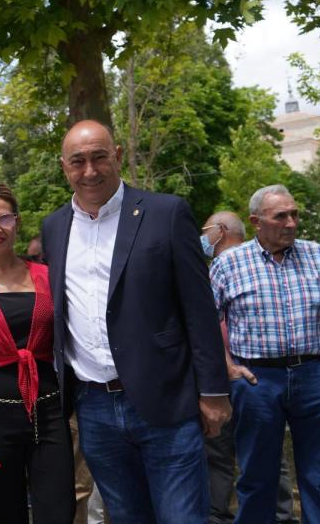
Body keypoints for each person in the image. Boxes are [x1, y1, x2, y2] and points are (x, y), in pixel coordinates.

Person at [41, 120, 230, 522]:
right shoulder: (55, 227)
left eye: (99, 157)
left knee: (182, 517)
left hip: (165, 399)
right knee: (126, 516)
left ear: (119, 156)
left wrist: (213, 390)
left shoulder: (166, 213)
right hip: (93, 406)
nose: (89, 171)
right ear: (64, 167)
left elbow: (199, 309)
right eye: (78, 161)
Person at [210, 184, 320, 523]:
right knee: (257, 477)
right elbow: (208, 322)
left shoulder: (318, 255)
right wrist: (229, 368)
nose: (291, 222)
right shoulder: (229, 264)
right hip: (258, 381)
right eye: (281, 216)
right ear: (256, 221)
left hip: (317, 376)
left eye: (294, 214)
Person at [0, 182, 74, 524]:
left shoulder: (47, 277)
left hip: (49, 412)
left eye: (4, 218)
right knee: (8, 515)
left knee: (58, 511)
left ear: (17, 222)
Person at [200, 212, 297, 524]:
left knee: (242, 448)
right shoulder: (223, 267)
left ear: (221, 230)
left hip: (248, 374)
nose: (203, 238)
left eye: (206, 230)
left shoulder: (239, 264)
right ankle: (272, 513)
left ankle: (260, 514)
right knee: (235, 446)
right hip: (232, 372)